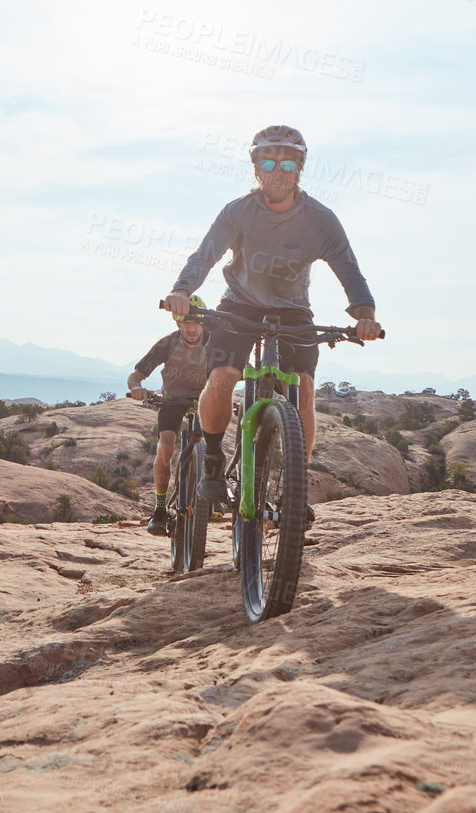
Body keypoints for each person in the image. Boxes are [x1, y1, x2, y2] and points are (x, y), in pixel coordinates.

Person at [165, 125, 382, 519]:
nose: (277, 171)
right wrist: (181, 290)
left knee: (303, 391)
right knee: (223, 376)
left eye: (287, 163)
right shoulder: (238, 212)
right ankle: (213, 456)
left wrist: (364, 315)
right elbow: (205, 256)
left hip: (292, 310)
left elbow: (350, 272)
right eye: (268, 162)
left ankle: (295, 489)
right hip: (239, 305)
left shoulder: (320, 219)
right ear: (256, 169)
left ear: (299, 169)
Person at [126, 295, 210, 536]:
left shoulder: (215, 342)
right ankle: (160, 509)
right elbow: (135, 375)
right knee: (166, 447)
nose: (192, 327)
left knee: (215, 442)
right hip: (173, 400)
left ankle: (212, 491)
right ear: (177, 323)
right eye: (186, 322)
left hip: (206, 398)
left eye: (196, 322)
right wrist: (136, 388)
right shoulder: (168, 344)